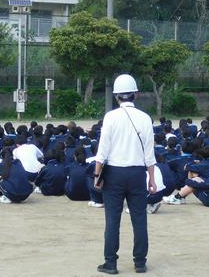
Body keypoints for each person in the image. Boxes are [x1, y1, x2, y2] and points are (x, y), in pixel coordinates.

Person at [94, 74, 157, 275]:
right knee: (139, 218)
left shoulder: (110, 117)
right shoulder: (145, 118)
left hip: (114, 174)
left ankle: (110, 263)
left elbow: (102, 152)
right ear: (135, 95)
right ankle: (140, 262)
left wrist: (97, 177)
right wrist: (152, 179)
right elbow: (150, 154)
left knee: (112, 219)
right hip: (138, 173)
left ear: (116, 96)